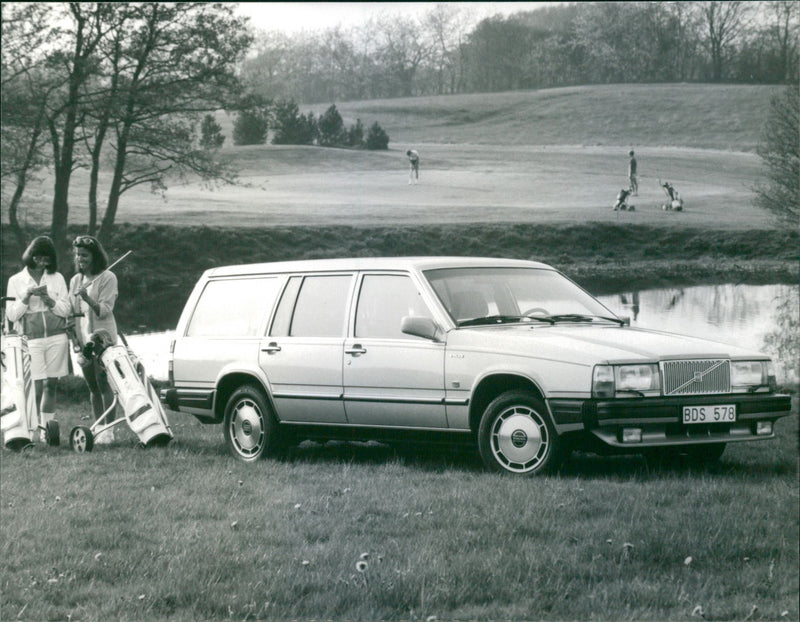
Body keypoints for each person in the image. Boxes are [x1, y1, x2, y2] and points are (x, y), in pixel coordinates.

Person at [5, 236, 71, 442]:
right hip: (30, 339)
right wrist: (25, 297)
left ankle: (46, 432)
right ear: (31, 256)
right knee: (35, 386)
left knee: (52, 384)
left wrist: (48, 300)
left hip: (56, 337)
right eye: (39, 259)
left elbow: (66, 309)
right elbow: (11, 315)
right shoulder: (15, 281)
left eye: (47, 260)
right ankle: (29, 429)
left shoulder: (57, 278)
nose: (43, 264)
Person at [68, 235, 119, 444]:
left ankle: (109, 430)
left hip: (102, 339)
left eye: (85, 255)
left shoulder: (108, 277)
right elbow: (71, 313)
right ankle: (98, 427)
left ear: (95, 256)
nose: (81, 259)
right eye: (78, 255)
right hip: (82, 339)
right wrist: (74, 339)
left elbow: (105, 311)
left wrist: (87, 298)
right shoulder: (75, 280)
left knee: (104, 383)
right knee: (92, 386)